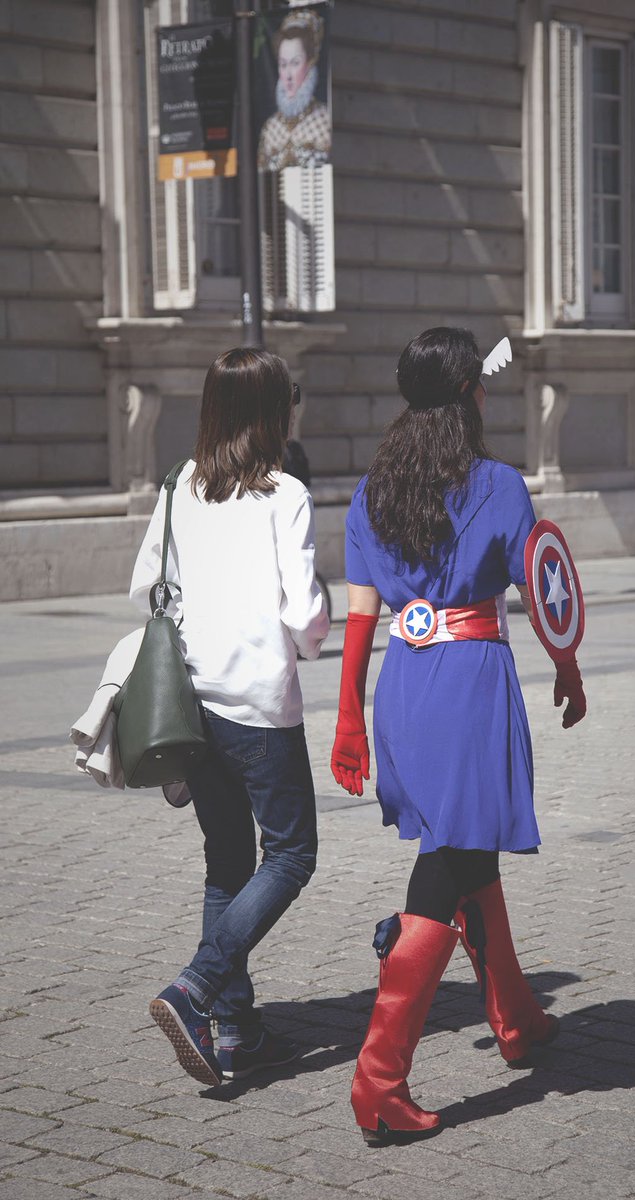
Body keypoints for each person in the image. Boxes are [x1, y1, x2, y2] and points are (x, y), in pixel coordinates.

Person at [330, 327, 587, 1146]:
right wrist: (568, 667)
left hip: (402, 687)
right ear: (472, 396)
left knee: (467, 852)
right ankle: (378, 1082)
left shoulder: (371, 492)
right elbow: (542, 584)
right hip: (471, 681)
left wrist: (345, 716)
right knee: (445, 865)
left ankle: (513, 1016)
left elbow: (361, 616)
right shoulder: (501, 484)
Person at [131, 348, 329, 1087]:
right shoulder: (285, 495)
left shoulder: (180, 483)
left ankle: (237, 1031)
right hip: (258, 706)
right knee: (291, 855)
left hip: (194, 701)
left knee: (227, 860)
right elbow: (305, 617)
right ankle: (196, 987)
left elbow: (144, 583)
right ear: (273, 413)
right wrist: (320, 632)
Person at [257, 9, 331, 172]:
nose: (288, 75)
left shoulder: (325, 119)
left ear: (310, 63)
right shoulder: (271, 128)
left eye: (295, 63)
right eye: (283, 65)